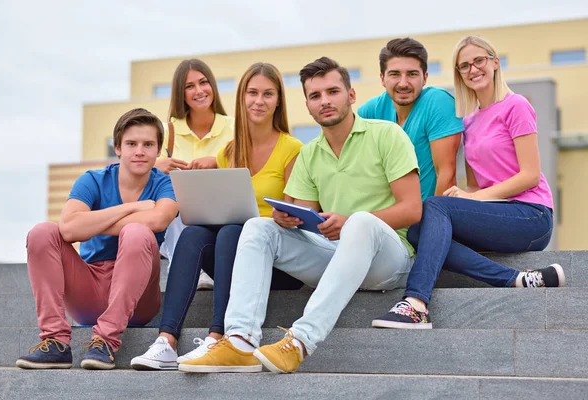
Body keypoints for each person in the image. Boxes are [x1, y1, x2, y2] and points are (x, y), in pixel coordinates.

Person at [179, 57, 421, 374]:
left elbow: (412, 209)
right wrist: (288, 219)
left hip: (390, 261)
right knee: (258, 226)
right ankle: (239, 341)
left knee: (361, 221)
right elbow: (305, 214)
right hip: (335, 256)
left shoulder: (386, 135)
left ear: (351, 95)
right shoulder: (310, 153)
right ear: (307, 104)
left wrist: (348, 222)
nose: (325, 101)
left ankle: (300, 341)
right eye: (315, 96)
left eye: (332, 91)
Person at [373, 35, 565, 330]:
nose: (473, 69)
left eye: (479, 61)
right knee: (418, 232)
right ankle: (515, 279)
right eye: (464, 65)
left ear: (495, 63)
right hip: (497, 213)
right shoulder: (470, 122)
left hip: (532, 215)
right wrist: (471, 196)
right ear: (459, 73)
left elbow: (530, 174)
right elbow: (476, 185)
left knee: (434, 207)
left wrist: (472, 198)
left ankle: (415, 303)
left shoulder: (516, 106)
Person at [130, 62, 304, 371]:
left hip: (276, 261)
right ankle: (166, 341)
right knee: (194, 233)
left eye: (267, 94)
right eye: (252, 93)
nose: (259, 101)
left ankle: (217, 336)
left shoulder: (293, 148)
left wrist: (283, 215)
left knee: (232, 232)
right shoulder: (230, 151)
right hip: (233, 253)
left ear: (278, 100)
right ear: (241, 98)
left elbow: (296, 213)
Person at [16, 108, 178, 370]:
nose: (139, 151)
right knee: (42, 232)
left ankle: (105, 341)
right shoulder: (92, 180)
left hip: (139, 299)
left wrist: (92, 222)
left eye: (148, 144)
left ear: (158, 150)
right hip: (89, 288)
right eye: (131, 144)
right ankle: (56, 342)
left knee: (136, 233)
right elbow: (68, 228)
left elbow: (158, 220)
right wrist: (131, 208)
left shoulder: (166, 184)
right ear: (118, 148)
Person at [157, 59, 234, 289]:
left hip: (223, 216)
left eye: (203, 82)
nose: (199, 91)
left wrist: (218, 162)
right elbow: (138, 177)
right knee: (174, 199)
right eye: (189, 86)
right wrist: (157, 168)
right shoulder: (164, 131)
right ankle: (187, 266)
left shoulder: (236, 128)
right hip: (177, 222)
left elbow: (250, 168)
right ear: (180, 94)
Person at [358, 37, 462, 200]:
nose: (403, 83)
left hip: (425, 216)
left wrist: (432, 222)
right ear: (382, 78)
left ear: (425, 77)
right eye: (395, 74)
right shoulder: (372, 110)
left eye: (412, 74)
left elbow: (446, 176)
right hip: (383, 217)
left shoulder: (438, 102)